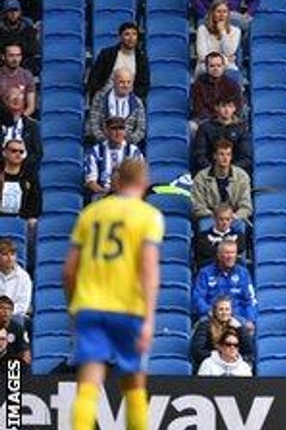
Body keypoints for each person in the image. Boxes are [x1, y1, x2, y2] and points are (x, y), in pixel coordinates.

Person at [64, 159, 163, 430]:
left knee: (88, 386)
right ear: (143, 184)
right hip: (128, 308)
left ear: (117, 182)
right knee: (134, 386)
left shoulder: (90, 213)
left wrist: (74, 306)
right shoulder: (148, 216)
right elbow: (148, 268)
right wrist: (150, 319)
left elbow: (69, 270)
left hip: (90, 306)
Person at [192, 240, 257, 329]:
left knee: (249, 329)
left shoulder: (243, 273)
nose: (230, 256)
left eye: (232, 253)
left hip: (238, 317)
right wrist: (209, 311)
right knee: (200, 329)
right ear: (218, 255)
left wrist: (250, 319)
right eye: (226, 253)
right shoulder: (205, 273)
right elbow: (198, 297)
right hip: (212, 316)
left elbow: (251, 300)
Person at [190, 139, 252, 224]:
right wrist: (217, 218)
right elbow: (197, 206)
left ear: (231, 157)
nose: (225, 158)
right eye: (221, 154)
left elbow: (246, 207)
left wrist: (231, 217)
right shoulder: (201, 177)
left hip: (235, 220)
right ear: (215, 156)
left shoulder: (242, 176)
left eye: (228, 154)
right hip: (209, 220)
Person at [84, 117, 143, 201]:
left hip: (127, 195)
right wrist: (106, 193)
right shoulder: (96, 151)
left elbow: (137, 178)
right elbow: (90, 181)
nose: (118, 132)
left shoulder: (133, 151)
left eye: (121, 128)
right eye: (114, 129)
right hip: (102, 194)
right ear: (106, 131)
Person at [87, 22, 149, 100]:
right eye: (127, 34)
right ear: (120, 37)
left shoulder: (141, 59)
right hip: (104, 97)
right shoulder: (107, 54)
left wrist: (132, 99)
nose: (131, 38)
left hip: (129, 100)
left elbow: (144, 84)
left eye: (134, 34)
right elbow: (94, 77)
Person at [189, 295, 254, 369]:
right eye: (221, 309)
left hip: (235, 365)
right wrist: (221, 358)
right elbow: (198, 351)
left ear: (231, 311)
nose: (224, 312)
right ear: (215, 311)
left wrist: (240, 329)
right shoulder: (204, 325)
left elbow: (248, 350)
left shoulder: (238, 324)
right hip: (212, 365)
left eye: (227, 309)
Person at [85, 67, 145, 146]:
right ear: (114, 81)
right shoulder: (100, 98)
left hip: (128, 148)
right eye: (121, 82)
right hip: (102, 146)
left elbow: (141, 129)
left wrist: (127, 143)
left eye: (128, 82)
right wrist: (104, 141)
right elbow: (93, 123)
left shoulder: (137, 102)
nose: (125, 85)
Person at [191, 97, 252, 172]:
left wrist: (229, 170)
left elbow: (246, 157)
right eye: (223, 106)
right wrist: (213, 170)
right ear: (216, 108)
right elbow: (199, 154)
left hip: (235, 173)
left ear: (234, 109)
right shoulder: (205, 127)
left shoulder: (241, 129)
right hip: (208, 172)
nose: (227, 110)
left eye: (230, 106)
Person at [194, 0, 243, 82]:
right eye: (218, 11)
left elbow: (229, 51)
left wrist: (222, 32)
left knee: (233, 75)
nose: (222, 15)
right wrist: (226, 59)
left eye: (225, 12)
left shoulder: (236, 31)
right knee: (206, 72)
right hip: (206, 65)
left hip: (227, 66)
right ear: (212, 13)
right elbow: (202, 55)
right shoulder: (202, 29)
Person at [189, 52, 243, 125]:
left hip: (227, 121)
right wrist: (214, 121)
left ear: (223, 66)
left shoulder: (232, 84)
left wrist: (224, 119)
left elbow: (237, 106)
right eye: (212, 66)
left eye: (219, 65)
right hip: (206, 120)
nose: (216, 69)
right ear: (206, 67)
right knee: (192, 126)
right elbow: (198, 107)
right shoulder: (199, 84)